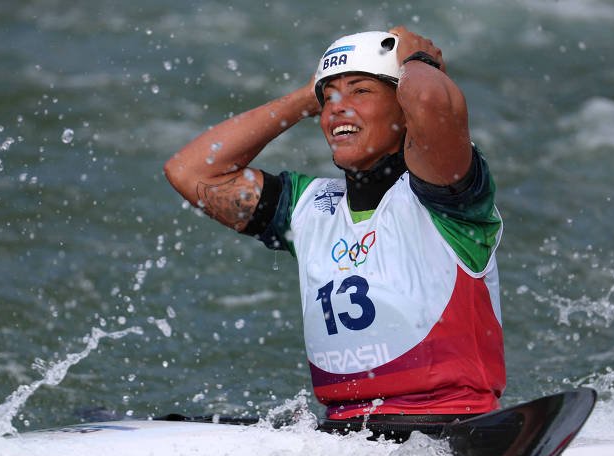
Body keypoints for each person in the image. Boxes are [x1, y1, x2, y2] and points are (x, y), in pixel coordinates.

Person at [164, 27, 505, 421]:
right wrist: (303, 99)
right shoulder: (308, 206)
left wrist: (417, 62)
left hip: (451, 420)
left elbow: (430, 101)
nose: (337, 108)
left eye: (361, 91)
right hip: (346, 436)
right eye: (329, 99)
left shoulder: (447, 194)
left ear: (403, 108)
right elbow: (190, 171)